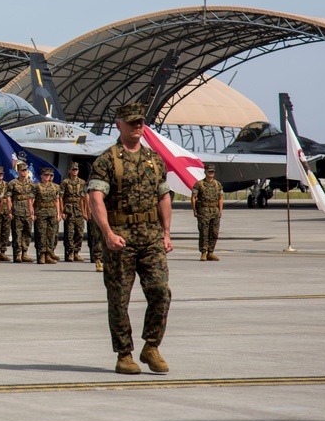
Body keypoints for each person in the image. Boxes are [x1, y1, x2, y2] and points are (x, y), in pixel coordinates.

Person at [88, 102, 173, 375]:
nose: (138, 126)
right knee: (119, 299)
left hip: (150, 237)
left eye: (140, 122)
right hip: (120, 238)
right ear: (119, 125)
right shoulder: (106, 160)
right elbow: (96, 198)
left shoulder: (154, 159)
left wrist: (167, 232)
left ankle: (151, 347)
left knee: (161, 291)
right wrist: (108, 233)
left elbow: (164, 196)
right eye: (132, 122)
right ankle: (124, 354)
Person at [191, 163, 224, 261]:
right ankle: (203, 252)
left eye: (212, 171)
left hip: (214, 210)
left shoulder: (218, 184)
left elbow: (220, 198)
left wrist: (220, 211)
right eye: (209, 171)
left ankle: (211, 252)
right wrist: (194, 210)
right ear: (205, 172)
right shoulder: (199, 184)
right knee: (204, 232)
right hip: (204, 210)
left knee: (214, 232)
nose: (211, 173)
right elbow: (193, 197)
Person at [6, 161, 36, 262]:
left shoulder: (31, 183)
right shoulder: (13, 183)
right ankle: (17, 253)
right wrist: (10, 211)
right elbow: (9, 198)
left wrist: (32, 211)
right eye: (22, 170)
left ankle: (25, 253)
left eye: (25, 170)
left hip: (27, 211)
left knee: (27, 232)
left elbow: (33, 198)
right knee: (17, 233)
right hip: (17, 210)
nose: (24, 172)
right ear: (18, 171)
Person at [34, 167, 62, 264]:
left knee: (51, 234)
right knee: (41, 234)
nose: (47, 177)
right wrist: (32, 213)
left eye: (49, 175)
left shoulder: (55, 187)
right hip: (41, 212)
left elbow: (57, 200)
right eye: (45, 175)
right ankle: (41, 255)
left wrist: (59, 213)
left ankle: (48, 254)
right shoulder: (37, 186)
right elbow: (31, 200)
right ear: (41, 176)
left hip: (52, 212)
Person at [60, 162, 86, 262]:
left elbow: (83, 198)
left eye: (76, 169)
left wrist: (84, 211)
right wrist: (62, 211)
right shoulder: (65, 182)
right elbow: (61, 197)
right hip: (69, 209)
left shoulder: (82, 183)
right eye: (73, 169)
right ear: (69, 171)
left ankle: (76, 252)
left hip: (78, 209)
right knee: (69, 233)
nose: (75, 171)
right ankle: (70, 252)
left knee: (80, 233)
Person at [0, 165, 12, 261]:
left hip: (5, 211)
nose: (0, 175)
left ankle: (2, 252)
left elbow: (9, 198)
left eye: (2, 174)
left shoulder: (7, 185)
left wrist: (10, 211)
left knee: (5, 231)